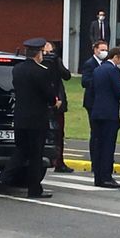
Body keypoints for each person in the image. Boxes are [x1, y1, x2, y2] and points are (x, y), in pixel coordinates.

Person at [4, 38, 60, 198]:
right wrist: (55, 101)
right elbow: (49, 95)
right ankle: (34, 189)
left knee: (21, 149)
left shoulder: (18, 69)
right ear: (39, 53)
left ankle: (5, 175)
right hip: (37, 119)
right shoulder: (41, 71)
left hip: (20, 117)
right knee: (36, 154)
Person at [91, 48, 120, 188]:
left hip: (97, 111)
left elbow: (93, 89)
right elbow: (118, 90)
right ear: (116, 57)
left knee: (98, 145)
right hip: (109, 113)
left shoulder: (98, 69)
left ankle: (98, 177)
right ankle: (106, 177)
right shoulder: (113, 70)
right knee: (108, 146)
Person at [42, 42, 73, 173]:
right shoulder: (51, 61)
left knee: (56, 132)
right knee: (58, 133)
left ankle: (57, 161)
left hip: (48, 102)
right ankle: (58, 161)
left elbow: (66, 75)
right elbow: (67, 75)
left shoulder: (47, 62)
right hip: (54, 101)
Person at [81, 40, 108, 170]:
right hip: (93, 102)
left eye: (105, 49)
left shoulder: (106, 64)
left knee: (104, 133)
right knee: (95, 132)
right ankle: (95, 162)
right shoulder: (89, 64)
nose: (104, 52)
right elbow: (85, 81)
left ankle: (104, 160)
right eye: (101, 49)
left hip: (104, 102)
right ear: (95, 50)